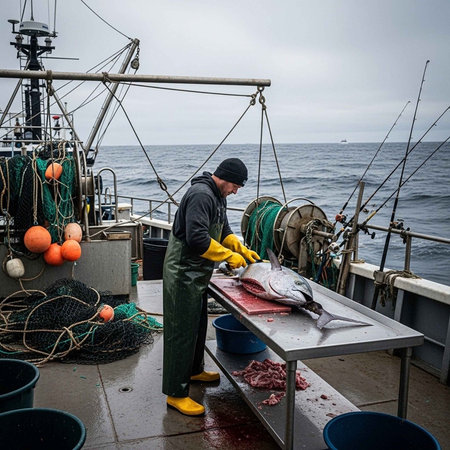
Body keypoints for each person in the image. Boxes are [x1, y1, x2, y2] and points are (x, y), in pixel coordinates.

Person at [162, 158, 260, 416]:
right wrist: (228, 256)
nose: (236, 191)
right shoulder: (201, 195)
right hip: (183, 271)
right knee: (181, 332)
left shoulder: (218, 197)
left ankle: (193, 372)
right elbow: (196, 239)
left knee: (197, 324)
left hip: (198, 272)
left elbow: (223, 228)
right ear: (226, 178)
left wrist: (237, 246)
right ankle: (175, 393)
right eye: (236, 186)